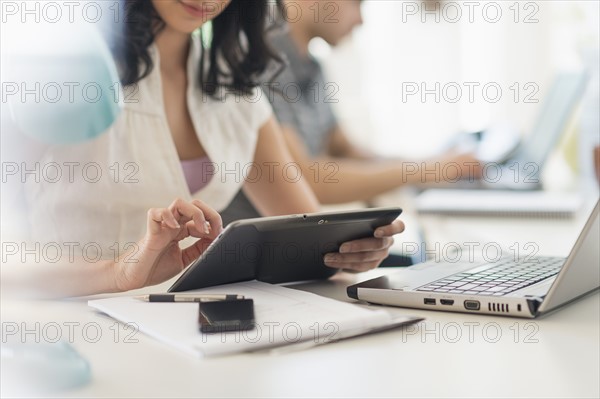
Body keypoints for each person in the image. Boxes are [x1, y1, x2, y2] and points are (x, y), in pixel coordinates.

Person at [0, 0, 404, 299]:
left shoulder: (234, 86)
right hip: (68, 327)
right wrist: (117, 272)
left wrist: (347, 252)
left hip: (184, 329)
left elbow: (310, 233)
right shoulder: (64, 73)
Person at [221, 0, 482, 225]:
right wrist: (425, 170)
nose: (360, 20)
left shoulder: (311, 66)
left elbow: (345, 149)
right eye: (356, 3)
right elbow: (306, 178)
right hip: (250, 257)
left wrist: (440, 165)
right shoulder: (259, 59)